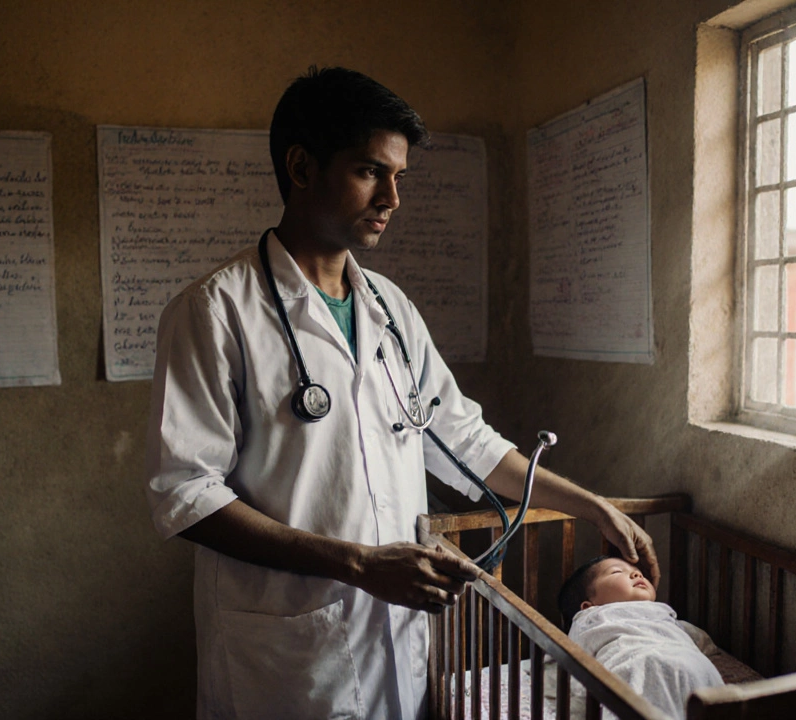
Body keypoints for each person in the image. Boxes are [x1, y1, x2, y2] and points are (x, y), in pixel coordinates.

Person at [145, 65, 660, 720]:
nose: (392, 196)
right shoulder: (215, 312)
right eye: (369, 171)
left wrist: (593, 507)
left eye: (398, 176)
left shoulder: (390, 308)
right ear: (302, 168)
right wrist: (357, 564)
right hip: (287, 651)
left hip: (393, 634)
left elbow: (463, 439)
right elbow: (186, 494)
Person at [558, 556, 723, 720]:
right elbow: (575, 653)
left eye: (638, 572)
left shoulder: (664, 615)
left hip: (697, 671)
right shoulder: (590, 618)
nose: (637, 575)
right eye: (617, 571)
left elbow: (696, 638)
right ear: (588, 606)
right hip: (640, 664)